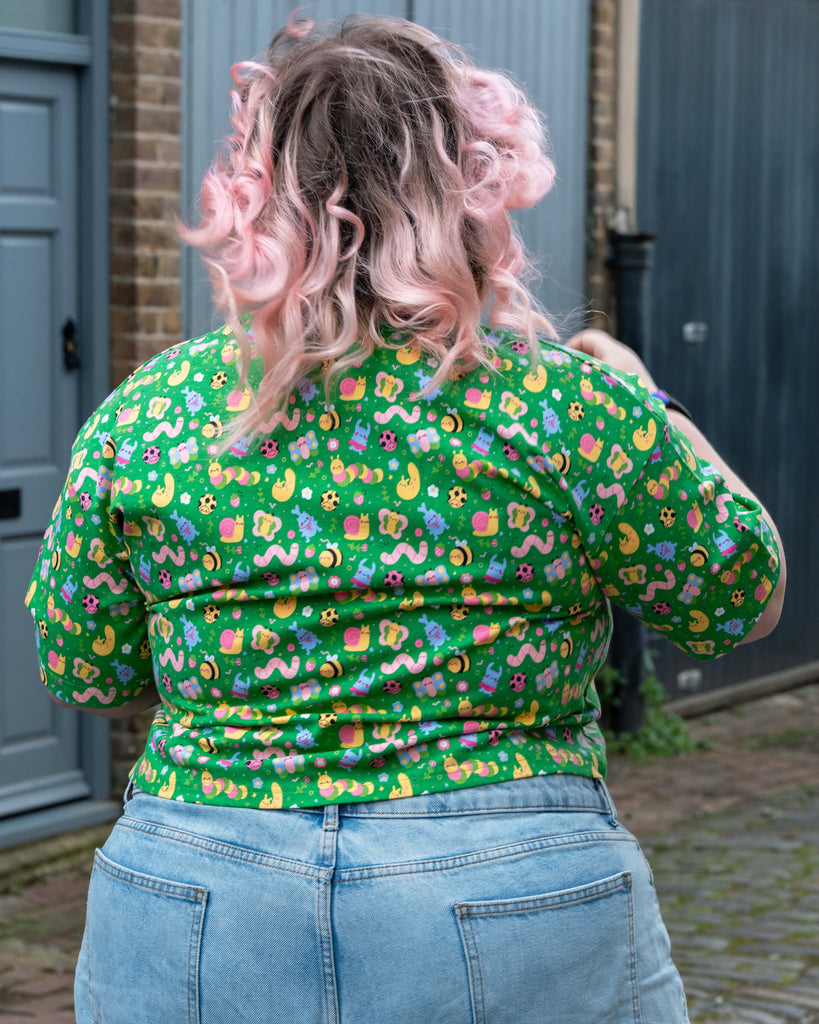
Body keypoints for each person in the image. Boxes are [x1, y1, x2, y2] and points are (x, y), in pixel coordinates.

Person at [26, 14, 784, 1024]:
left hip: (197, 895)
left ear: (260, 190)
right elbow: (739, 598)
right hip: (507, 889)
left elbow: (83, 668)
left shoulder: (154, 411)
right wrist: (654, 401)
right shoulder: (563, 404)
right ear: (465, 179)